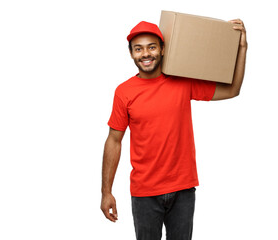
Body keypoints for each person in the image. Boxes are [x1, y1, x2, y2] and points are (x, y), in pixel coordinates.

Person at [101, 19, 247, 240]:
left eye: (151, 47)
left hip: (183, 189)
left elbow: (233, 89)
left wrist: (242, 48)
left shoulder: (182, 81)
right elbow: (114, 140)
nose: (145, 54)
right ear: (131, 54)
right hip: (145, 193)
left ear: (162, 49)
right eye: (138, 49)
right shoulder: (124, 92)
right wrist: (106, 192)